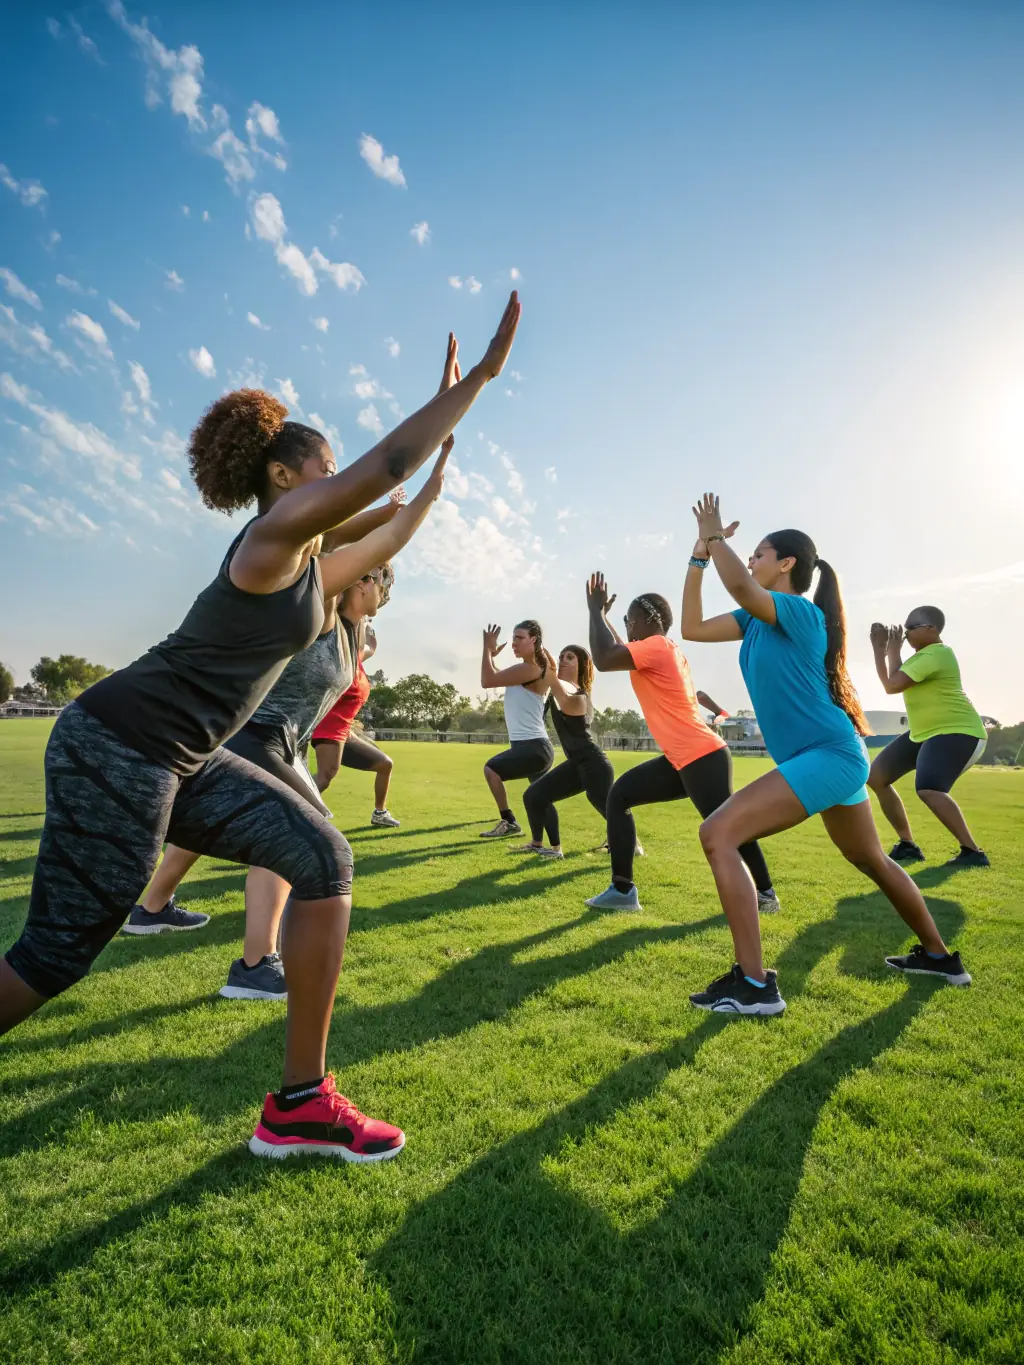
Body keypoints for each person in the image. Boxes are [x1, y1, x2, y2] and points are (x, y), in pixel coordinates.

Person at [0, 292, 521, 1163]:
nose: (338, 479)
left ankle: (300, 1104)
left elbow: (388, 515)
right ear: (283, 477)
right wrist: (483, 381)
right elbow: (384, 467)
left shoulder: (311, 570)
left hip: (184, 757)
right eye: (326, 468)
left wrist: (436, 456)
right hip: (121, 745)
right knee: (52, 956)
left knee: (324, 858)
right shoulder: (270, 538)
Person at [680, 493, 971, 1017]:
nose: (751, 559)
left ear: (786, 564)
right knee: (871, 858)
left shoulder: (799, 611)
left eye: (760, 553)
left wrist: (716, 536)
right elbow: (692, 628)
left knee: (717, 834)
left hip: (828, 754)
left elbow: (741, 585)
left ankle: (754, 985)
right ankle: (939, 957)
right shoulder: (753, 620)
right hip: (829, 757)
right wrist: (698, 557)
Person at [121, 559, 399, 1003]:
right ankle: (255, 966)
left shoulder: (355, 633)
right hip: (253, 732)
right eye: (384, 582)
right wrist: (370, 530)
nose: (387, 592)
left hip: (288, 744)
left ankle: (151, 910)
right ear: (362, 579)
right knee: (296, 832)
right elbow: (331, 554)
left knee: (254, 825)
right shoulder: (324, 612)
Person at [582, 573, 779, 914]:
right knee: (620, 796)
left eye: (630, 620)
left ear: (646, 620)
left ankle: (765, 894)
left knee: (729, 825)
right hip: (685, 757)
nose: (627, 627)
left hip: (700, 756)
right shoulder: (659, 648)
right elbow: (616, 650)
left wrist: (594, 611)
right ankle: (622, 890)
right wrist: (603, 617)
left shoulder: (657, 647)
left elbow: (604, 658)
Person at [868, 608, 989, 868]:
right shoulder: (920, 658)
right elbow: (894, 679)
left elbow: (892, 685)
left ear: (931, 629)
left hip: (957, 730)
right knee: (876, 777)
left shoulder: (937, 653)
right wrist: (888, 651)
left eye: (911, 627)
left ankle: (972, 852)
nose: (906, 632)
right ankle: (907, 845)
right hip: (923, 734)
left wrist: (883, 650)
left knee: (929, 788)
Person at [311, 572, 400, 828]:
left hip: (344, 728)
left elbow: (365, 649)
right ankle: (287, 811)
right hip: (328, 726)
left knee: (384, 764)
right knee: (325, 776)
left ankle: (379, 813)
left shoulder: (354, 654)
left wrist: (371, 636)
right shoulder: (338, 646)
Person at [515, 645, 614, 858]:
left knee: (608, 807)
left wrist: (542, 655)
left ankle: (632, 845)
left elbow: (559, 686)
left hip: (593, 763)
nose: (563, 660)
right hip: (576, 763)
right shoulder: (559, 689)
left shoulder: (575, 692)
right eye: (561, 656)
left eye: (570, 657)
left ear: (582, 665)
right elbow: (542, 681)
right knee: (534, 796)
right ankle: (547, 847)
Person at [478, 620, 553, 838]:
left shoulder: (530, 668)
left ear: (534, 640)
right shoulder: (527, 670)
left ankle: (509, 821)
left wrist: (486, 648)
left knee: (491, 770)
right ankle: (549, 845)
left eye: (519, 638)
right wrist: (491, 656)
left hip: (532, 747)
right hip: (536, 747)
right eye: (513, 638)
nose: (513, 643)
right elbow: (496, 675)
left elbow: (487, 680)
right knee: (542, 799)